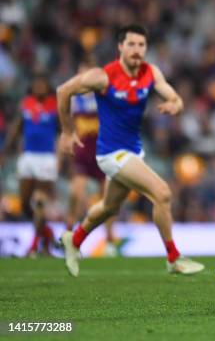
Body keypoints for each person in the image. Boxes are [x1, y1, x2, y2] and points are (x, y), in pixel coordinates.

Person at [56, 24, 203, 276]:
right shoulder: (104, 76)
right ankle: (173, 258)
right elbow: (63, 91)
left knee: (108, 208)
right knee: (163, 193)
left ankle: (75, 239)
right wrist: (68, 131)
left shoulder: (150, 72)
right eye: (131, 44)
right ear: (120, 47)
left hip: (133, 151)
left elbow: (174, 97)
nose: (137, 50)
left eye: (141, 45)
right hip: (111, 154)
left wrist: (174, 105)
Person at [65, 60, 118, 257]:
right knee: (75, 195)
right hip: (82, 156)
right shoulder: (72, 99)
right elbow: (67, 125)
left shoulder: (103, 96)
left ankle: (111, 240)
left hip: (102, 153)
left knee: (108, 201)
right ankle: (71, 239)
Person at [1, 75, 58, 256]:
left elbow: (65, 129)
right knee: (26, 204)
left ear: (48, 87)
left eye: (43, 84)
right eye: (36, 84)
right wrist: (5, 152)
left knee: (40, 201)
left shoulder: (55, 105)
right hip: (28, 157)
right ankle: (47, 234)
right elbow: (16, 128)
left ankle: (34, 246)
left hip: (47, 157)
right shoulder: (26, 104)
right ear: (31, 87)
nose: (39, 87)